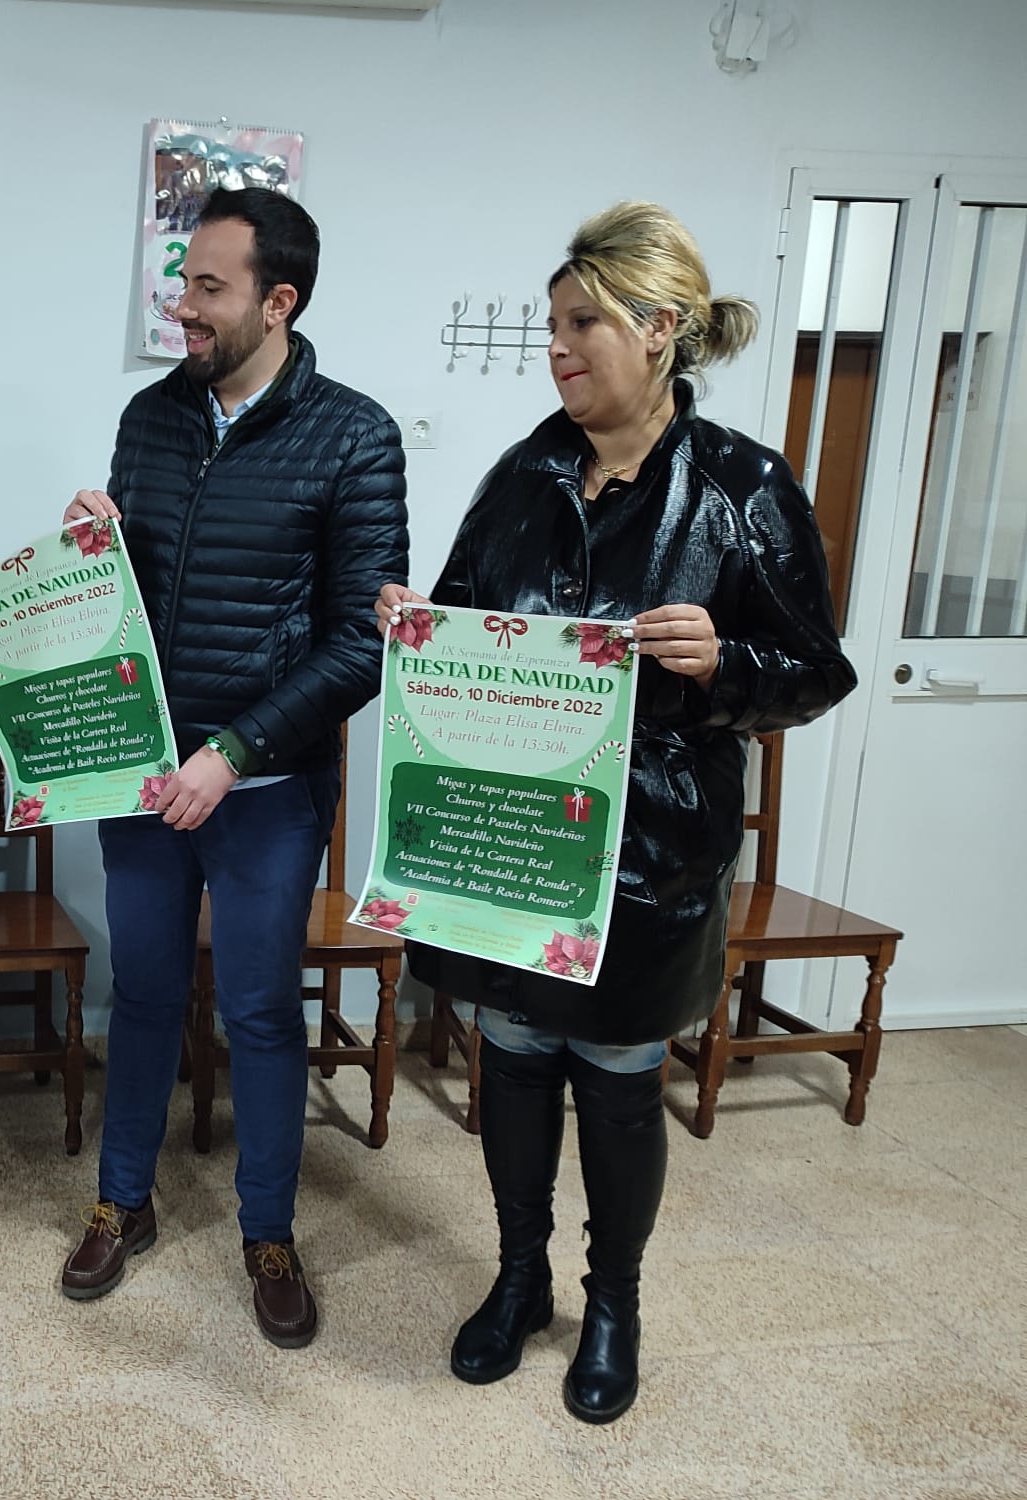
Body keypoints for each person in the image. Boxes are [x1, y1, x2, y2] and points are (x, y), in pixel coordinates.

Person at [380, 202, 856, 1424]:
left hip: (649, 853)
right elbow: (458, 614)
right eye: (550, 326)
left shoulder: (743, 489)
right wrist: (412, 633)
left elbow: (815, 671)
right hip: (514, 837)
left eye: (580, 323)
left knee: (615, 1074)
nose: (557, 347)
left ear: (657, 330)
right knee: (517, 1058)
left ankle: (612, 1304)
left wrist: (723, 663)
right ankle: (518, 1279)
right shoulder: (525, 472)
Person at [60, 187, 410, 1348]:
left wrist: (236, 749)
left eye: (207, 288)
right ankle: (123, 1201)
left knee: (260, 1013)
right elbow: (127, 598)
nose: (182, 307)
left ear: (278, 300)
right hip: (142, 783)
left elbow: (363, 640)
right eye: (182, 282)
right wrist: (91, 550)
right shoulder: (150, 417)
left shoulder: (353, 435)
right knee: (145, 995)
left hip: (261, 790)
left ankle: (268, 1228)